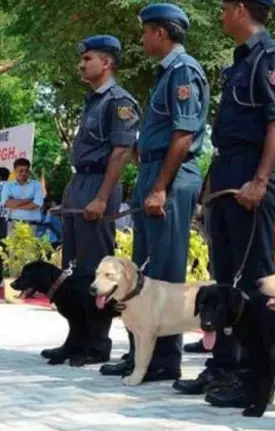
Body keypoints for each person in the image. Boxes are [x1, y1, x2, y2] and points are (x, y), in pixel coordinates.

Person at [175, 0, 275, 417]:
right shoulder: (240, 61)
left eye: (226, 7)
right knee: (224, 280)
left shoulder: (273, 58)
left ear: (242, 9)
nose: (222, 14)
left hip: (252, 171)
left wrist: (261, 180)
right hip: (228, 169)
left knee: (254, 283)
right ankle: (224, 365)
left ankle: (256, 377)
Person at [100, 2, 209, 383]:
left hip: (171, 178)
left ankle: (164, 360)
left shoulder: (183, 72)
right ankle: (139, 354)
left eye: (146, 31)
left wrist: (160, 186)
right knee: (140, 274)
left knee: (164, 270)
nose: (142, 38)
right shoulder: (165, 74)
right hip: (153, 173)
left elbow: (183, 135)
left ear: (161, 33)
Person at [58, 35, 139, 363]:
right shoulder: (92, 100)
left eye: (87, 58)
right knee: (72, 269)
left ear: (106, 63)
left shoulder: (119, 102)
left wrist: (102, 197)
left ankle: (97, 344)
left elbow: (121, 153)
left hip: (99, 184)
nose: (81, 64)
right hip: (80, 182)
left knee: (95, 269)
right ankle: (75, 339)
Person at [1, 159, 45, 232]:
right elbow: (5, 203)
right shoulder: (8, 185)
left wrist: (15, 204)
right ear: (15, 171)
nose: (24, 173)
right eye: (21, 171)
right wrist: (29, 200)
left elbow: (38, 203)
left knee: (30, 244)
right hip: (13, 222)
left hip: (32, 222)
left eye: (26, 171)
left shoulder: (36, 184)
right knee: (12, 243)